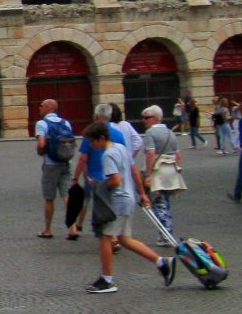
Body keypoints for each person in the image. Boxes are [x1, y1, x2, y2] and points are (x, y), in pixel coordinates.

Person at [82, 122, 176, 294]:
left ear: (101, 138)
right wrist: (142, 194)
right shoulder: (121, 148)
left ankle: (107, 280)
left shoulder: (108, 155)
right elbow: (132, 171)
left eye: (92, 141)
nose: (91, 145)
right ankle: (162, 262)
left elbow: (115, 181)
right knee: (125, 239)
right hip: (129, 198)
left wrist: (99, 185)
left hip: (118, 201)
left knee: (105, 237)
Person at [68, 104, 128, 241]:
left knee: (86, 200)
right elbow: (124, 155)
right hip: (115, 177)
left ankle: (80, 227)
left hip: (94, 176)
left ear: (96, 115)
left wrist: (75, 178)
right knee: (112, 203)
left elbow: (83, 158)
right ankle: (113, 236)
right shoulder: (118, 134)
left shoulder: (91, 133)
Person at [141, 105, 185, 246]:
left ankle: (166, 235)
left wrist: (147, 175)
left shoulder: (150, 133)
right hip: (171, 171)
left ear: (154, 119)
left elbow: (150, 154)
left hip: (158, 172)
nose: (144, 121)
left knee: (159, 204)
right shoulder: (170, 132)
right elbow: (178, 155)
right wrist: (178, 169)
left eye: (146, 118)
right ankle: (166, 233)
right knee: (165, 203)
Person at [34, 99, 72, 240]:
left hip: (51, 163)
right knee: (66, 195)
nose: (39, 107)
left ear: (49, 108)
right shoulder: (65, 123)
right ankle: (73, 228)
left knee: (49, 198)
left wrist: (40, 151)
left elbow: (41, 143)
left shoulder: (42, 123)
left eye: (41, 105)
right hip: (66, 161)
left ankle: (48, 229)